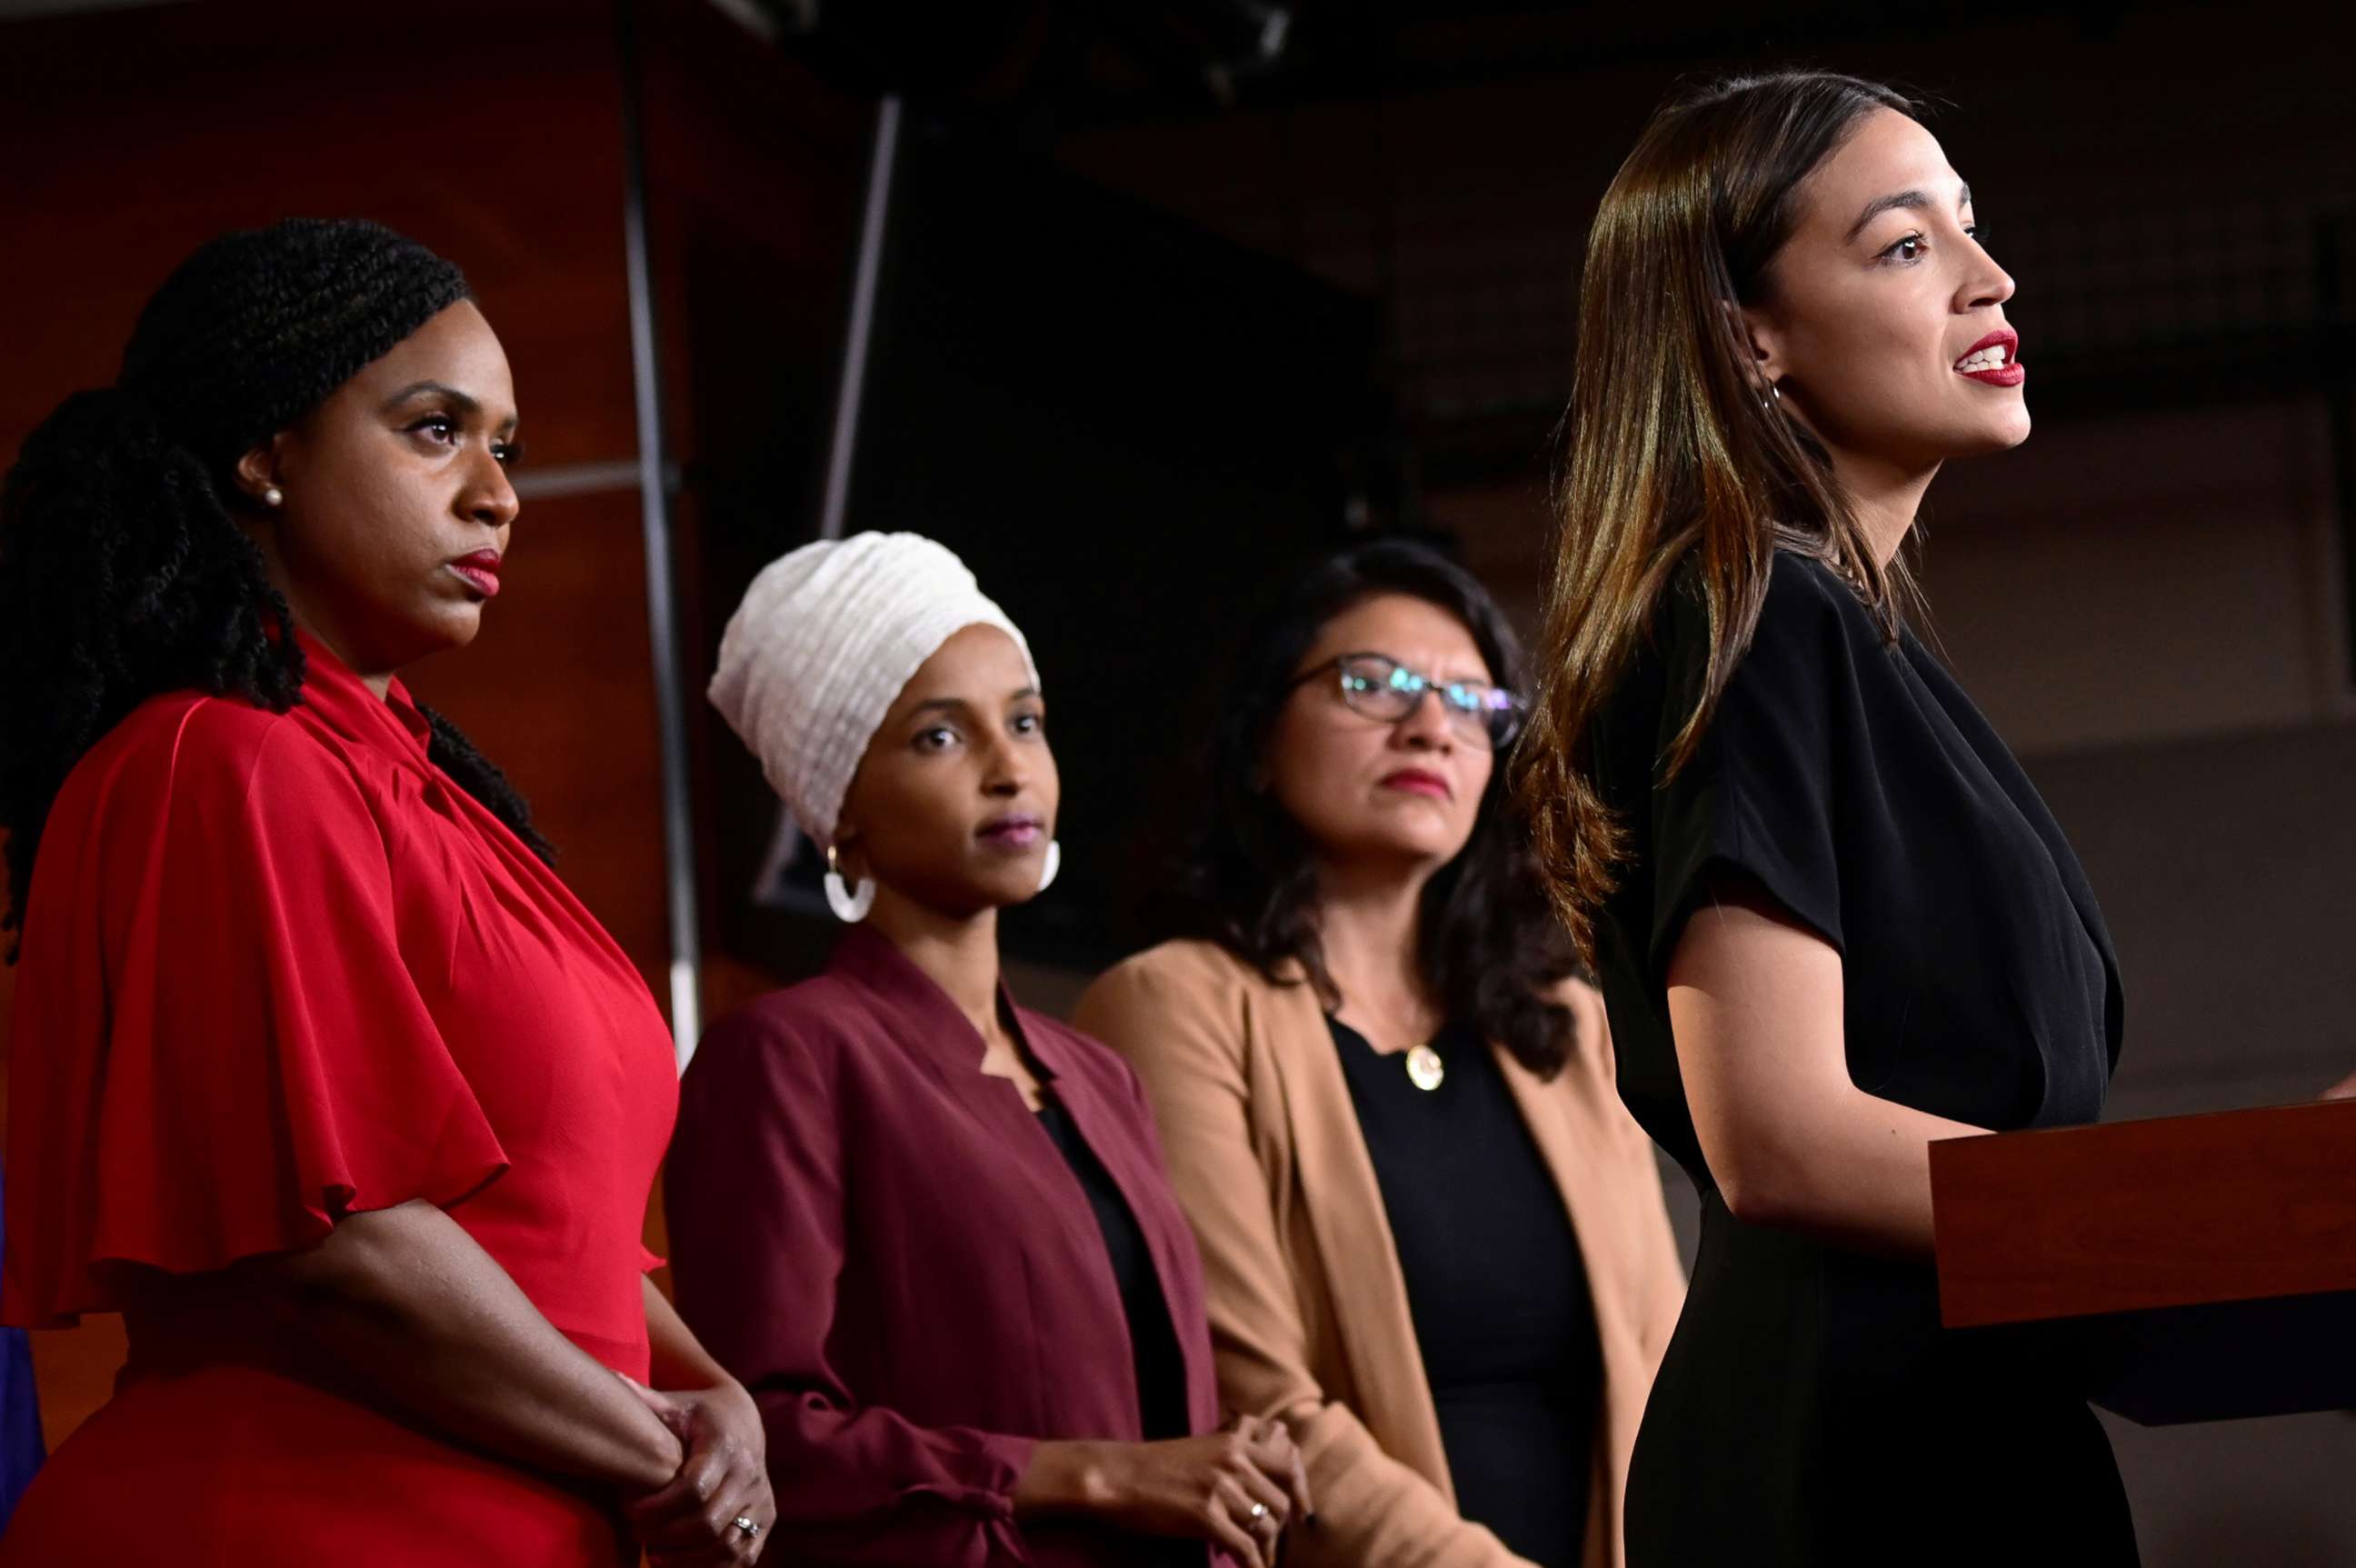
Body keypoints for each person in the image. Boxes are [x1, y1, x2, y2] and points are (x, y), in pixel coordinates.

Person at [0, 219, 771, 1565]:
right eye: (434, 430)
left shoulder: (436, 794)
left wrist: (719, 1400)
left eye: (510, 449)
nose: (499, 493)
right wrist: (662, 1449)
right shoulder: (222, 763)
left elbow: (553, 1235)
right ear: (265, 452)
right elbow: (337, 1251)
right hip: (299, 1522)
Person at [1509, 73, 2139, 1565]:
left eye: (1969, 232)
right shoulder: (1752, 614)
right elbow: (1780, 1138)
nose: (1990, 279)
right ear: (1748, 334)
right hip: (1851, 1469)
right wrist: (2187, 1215)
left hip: (1962, 1432)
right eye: (1903, 246)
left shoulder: (1849, 641)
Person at [673, 531, 1312, 1568]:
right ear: (841, 811)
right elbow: (763, 1437)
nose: (1010, 768)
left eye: (1025, 722)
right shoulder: (786, 1055)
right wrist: (1084, 1474)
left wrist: (1229, 1463)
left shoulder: (1099, 1078)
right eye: (939, 738)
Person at [1074, 540, 1685, 1568]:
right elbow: (1251, 1397)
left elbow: (1666, 1365)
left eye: (1469, 702)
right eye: (1373, 685)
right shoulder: (1169, 1005)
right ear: (1259, 741)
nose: (1429, 726)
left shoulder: (1566, 1029)